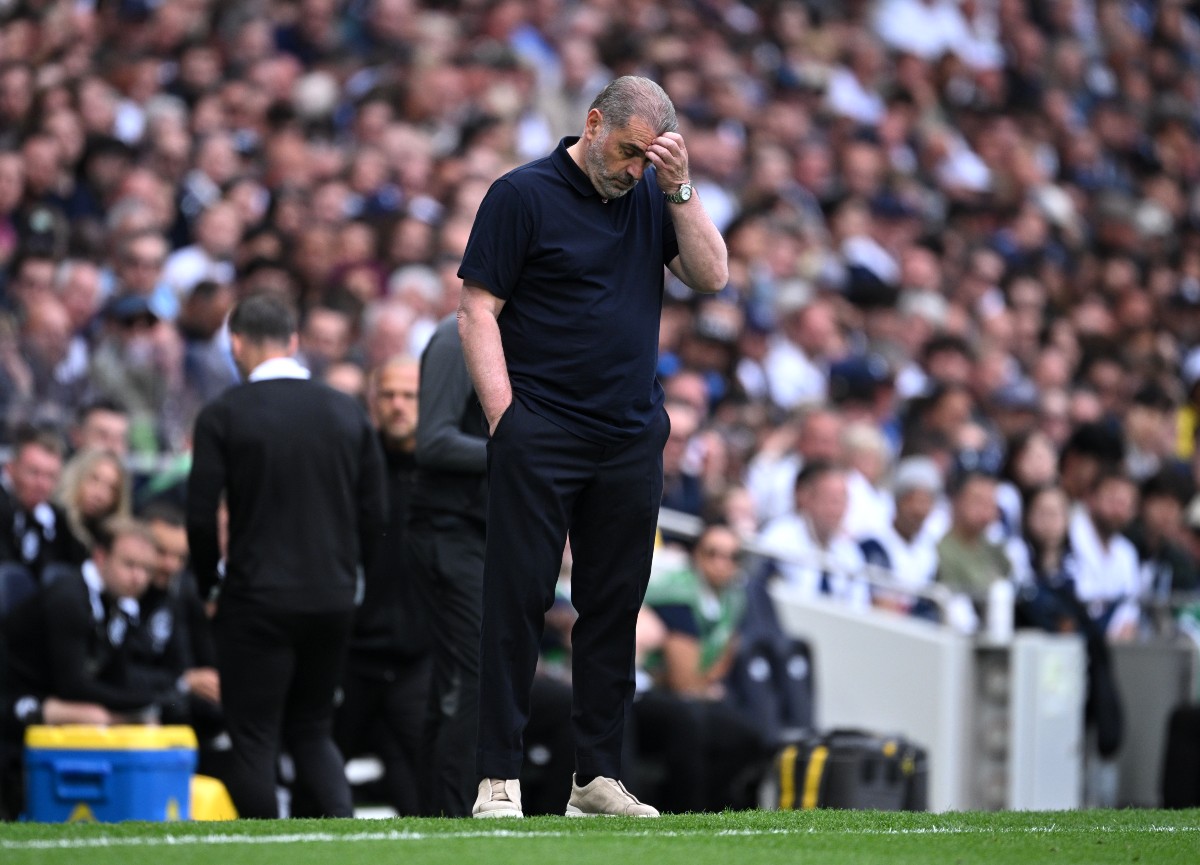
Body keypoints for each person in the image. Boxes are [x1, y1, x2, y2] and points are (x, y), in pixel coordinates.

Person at [457, 75, 727, 819]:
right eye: (629, 150)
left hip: (629, 435)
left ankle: (596, 777)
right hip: (540, 429)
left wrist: (679, 188)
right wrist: (506, 420)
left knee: (614, 609)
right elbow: (477, 310)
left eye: (650, 157)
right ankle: (498, 778)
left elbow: (713, 275)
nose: (634, 167)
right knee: (516, 603)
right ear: (594, 121)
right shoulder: (522, 194)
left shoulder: (653, 194)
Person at [186, 293, 387, 819]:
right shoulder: (345, 411)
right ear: (294, 341)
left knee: (254, 735)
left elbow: (201, 516)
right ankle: (347, 840)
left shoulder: (224, 413)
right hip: (333, 597)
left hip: (256, 597)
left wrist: (209, 582)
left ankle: (264, 846)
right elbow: (375, 514)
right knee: (313, 728)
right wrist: (351, 578)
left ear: (236, 343)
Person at [335, 354, 429, 817]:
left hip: (421, 658)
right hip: (350, 655)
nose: (398, 405)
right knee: (321, 792)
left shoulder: (450, 469)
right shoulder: (349, 467)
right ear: (373, 401)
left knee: (427, 799)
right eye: (388, 394)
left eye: (409, 395)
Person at [404, 314, 488, 817]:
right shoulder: (457, 337)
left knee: (462, 678)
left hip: (476, 531)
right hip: (448, 530)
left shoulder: (499, 335)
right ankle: (453, 811)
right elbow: (432, 440)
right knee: (469, 676)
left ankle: (440, 812)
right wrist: (519, 452)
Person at [52, 447, 132, 566]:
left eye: (111, 488)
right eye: (94, 479)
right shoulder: (53, 523)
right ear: (77, 478)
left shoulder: (111, 541)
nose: (100, 494)